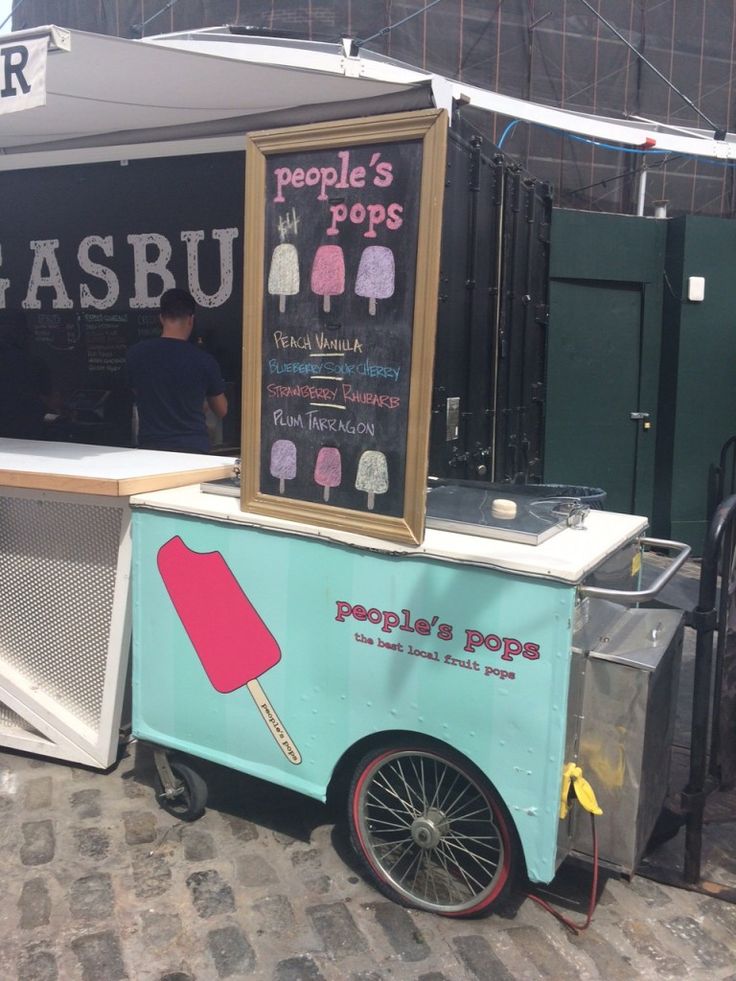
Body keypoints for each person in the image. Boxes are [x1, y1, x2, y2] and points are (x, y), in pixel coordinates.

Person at [126, 288, 227, 453]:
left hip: (152, 450)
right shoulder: (204, 360)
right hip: (194, 450)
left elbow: (138, 392)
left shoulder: (136, 355)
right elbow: (222, 410)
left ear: (161, 318)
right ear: (191, 320)